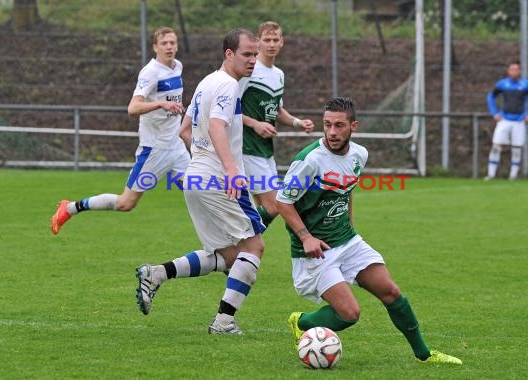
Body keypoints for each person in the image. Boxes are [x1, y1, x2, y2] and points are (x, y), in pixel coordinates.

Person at [277, 96, 462, 364]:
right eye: (327, 124)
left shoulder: (359, 155)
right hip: (316, 252)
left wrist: (350, 227)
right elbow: (283, 202)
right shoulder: (309, 161)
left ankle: (425, 354)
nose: (331, 132)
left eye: (339, 125)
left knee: (392, 292)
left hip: (347, 241)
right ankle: (302, 321)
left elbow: (347, 190)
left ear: (354, 126)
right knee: (349, 314)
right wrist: (306, 237)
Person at [135, 28, 265, 335]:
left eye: (255, 54)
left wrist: (203, 157)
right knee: (255, 246)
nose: (253, 60)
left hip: (195, 177)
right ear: (229, 54)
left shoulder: (207, 82)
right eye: (247, 54)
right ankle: (224, 322)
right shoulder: (229, 86)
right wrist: (231, 170)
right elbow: (218, 126)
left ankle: (156, 274)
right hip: (218, 180)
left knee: (231, 254)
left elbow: (184, 130)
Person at [51, 26, 190, 235]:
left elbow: (172, 101)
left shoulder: (177, 67)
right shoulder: (150, 73)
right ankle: (70, 208)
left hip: (177, 149)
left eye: (172, 42)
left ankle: (227, 252)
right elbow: (133, 108)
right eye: (164, 43)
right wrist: (160, 104)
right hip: (155, 151)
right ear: (155, 47)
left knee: (199, 193)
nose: (169, 47)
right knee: (126, 203)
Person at [239, 21, 314, 228]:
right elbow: (229, 108)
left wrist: (297, 122)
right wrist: (255, 124)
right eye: (267, 40)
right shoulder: (249, 70)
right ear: (258, 42)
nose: (271, 44)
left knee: (262, 208)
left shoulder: (278, 74)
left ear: (282, 42)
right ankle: (240, 241)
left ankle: (245, 248)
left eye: (275, 40)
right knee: (275, 205)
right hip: (247, 147)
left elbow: (277, 109)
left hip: (265, 150)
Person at [485, 61, 528, 180]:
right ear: (508, 71)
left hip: (519, 121)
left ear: (520, 71)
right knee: (496, 146)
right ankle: (491, 174)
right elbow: (491, 96)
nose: (514, 72)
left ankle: (513, 176)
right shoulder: (502, 84)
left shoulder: (526, 85)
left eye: (516, 69)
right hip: (504, 120)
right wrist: (494, 112)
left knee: (516, 148)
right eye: (512, 69)